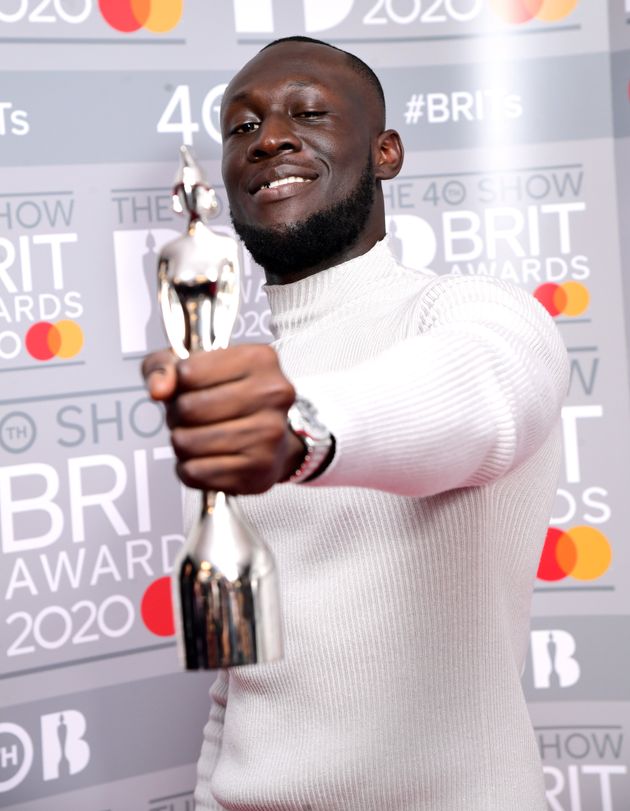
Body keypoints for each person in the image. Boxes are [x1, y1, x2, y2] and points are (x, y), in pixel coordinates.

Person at [143, 36, 568, 811]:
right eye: (241, 128)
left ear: (386, 153)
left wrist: (300, 431)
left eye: (307, 113)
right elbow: (243, 690)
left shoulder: (467, 316)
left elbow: (487, 391)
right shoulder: (236, 390)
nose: (269, 136)